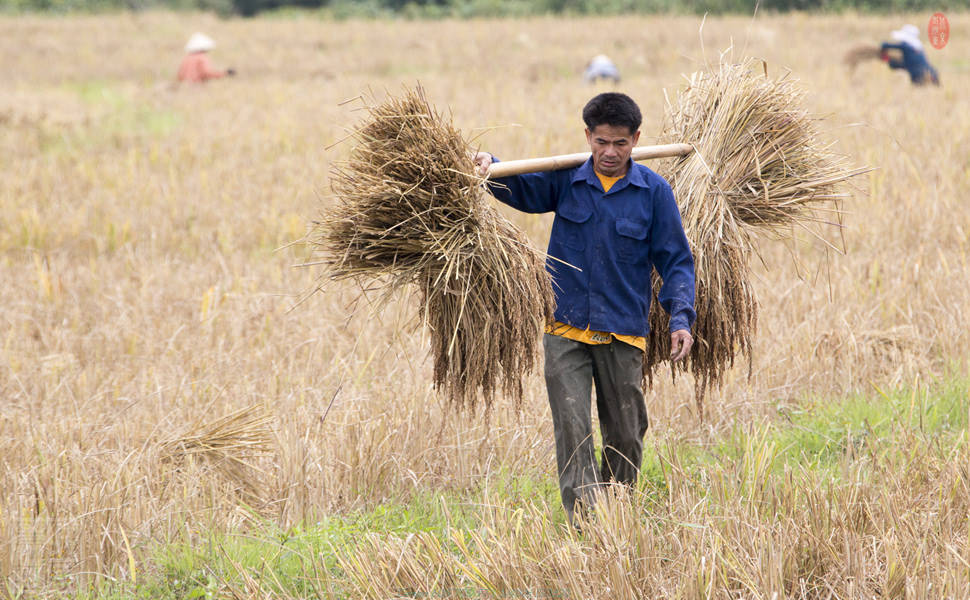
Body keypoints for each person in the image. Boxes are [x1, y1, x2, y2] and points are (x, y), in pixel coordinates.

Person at [474, 93, 696, 525]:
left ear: (636, 139)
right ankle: (588, 527)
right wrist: (489, 167)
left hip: (622, 332)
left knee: (626, 435)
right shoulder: (566, 181)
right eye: (600, 142)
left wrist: (680, 317)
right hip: (565, 329)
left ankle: (618, 512)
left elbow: (676, 261)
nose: (609, 153)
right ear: (587, 137)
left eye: (619, 143)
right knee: (573, 433)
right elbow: (521, 186)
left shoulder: (654, 193)